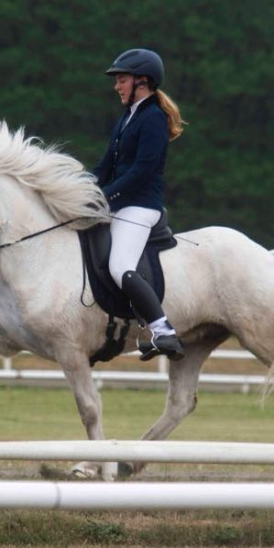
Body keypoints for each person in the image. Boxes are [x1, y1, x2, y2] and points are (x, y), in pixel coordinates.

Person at [92, 48, 186, 361]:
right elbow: (106, 165)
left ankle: (163, 330)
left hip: (140, 207)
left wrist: (106, 195)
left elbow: (142, 170)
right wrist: (80, 187)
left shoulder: (153, 119)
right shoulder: (127, 118)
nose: (116, 86)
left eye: (121, 80)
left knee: (120, 267)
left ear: (141, 81)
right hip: (119, 204)